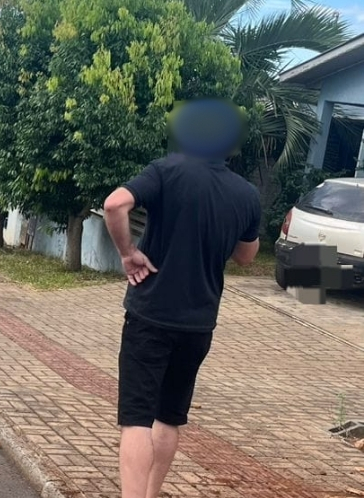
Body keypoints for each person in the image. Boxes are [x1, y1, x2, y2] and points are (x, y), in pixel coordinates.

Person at [103, 98, 261, 498]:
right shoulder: (246, 194)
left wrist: (127, 253)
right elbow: (246, 256)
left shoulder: (166, 171)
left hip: (150, 315)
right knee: (169, 417)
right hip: (198, 324)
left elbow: (115, 204)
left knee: (136, 420)